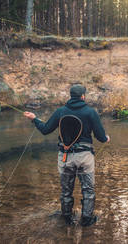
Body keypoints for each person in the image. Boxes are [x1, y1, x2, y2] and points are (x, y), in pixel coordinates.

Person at [23, 84, 110, 227]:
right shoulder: (90, 112)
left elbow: (45, 130)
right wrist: (106, 138)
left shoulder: (60, 111)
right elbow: (100, 137)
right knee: (88, 190)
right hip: (84, 157)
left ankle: (67, 220)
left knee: (66, 191)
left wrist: (34, 119)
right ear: (83, 96)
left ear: (71, 96)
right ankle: (87, 220)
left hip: (65, 157)